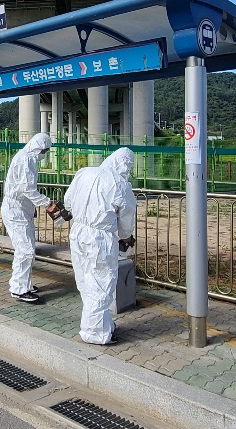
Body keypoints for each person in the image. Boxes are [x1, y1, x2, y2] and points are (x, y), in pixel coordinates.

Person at [62, 147, 137, 345]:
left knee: (86, 281)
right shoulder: (120, 184)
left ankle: (103, 324)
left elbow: (68, 201)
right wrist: (126, 237)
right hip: (100, 238)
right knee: (102, 284)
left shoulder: (84, 172)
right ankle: (93, 332)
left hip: (78, 233)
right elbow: (126, 217)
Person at [2, 132, 58, 303]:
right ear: (38, 148)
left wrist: (33, 207)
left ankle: (23, 284)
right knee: (25, 250)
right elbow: (27, 189)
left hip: (20, 209)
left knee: (27, 248)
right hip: (16, 210)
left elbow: (24, 189)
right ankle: (19, 289)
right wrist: (47, 203)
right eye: (44, 151)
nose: (44, 154)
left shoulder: (26, 158)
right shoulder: (26, 159)